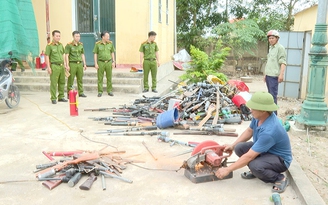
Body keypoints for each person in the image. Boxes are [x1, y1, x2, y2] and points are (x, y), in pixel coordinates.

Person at [215, 91, 292, 193]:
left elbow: (249, 156)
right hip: (266, 151)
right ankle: (258, 172)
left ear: (263, 110)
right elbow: (249, 131)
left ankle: (279, 178)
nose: (250, 110)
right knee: (239, 147)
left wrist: (228, 169)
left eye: (253, 108)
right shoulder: (259, 117)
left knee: (255, 166)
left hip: (280, 159)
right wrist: (233, 145)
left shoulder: (270, 130)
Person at [264, 30, 286, 113]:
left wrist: (281, 75)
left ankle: (274, 115)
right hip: (268, 75)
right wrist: (265, 75)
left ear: (277, 38)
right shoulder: (271, 48)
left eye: (272, 38)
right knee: (269, 96)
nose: (270, 40)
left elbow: (283, 62)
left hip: (274, 76)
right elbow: (269, 62)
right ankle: (270, 113)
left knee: (273, 96)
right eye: (269, 38)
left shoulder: (280, 48)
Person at [45, 30, 67, 104]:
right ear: (53, 36)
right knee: (54, 82)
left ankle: (61, 96)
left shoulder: (61, 45)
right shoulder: (49, 46)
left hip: (61, 66)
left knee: (62, 82)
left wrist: (65, 64)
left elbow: (63, 54)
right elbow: (47, 56)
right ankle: (53, 98)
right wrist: (48, 67)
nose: (58, 37)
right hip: (54, 66)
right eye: (57, 36)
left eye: (59, 36)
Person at [93, 31, 116, 97]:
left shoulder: (110, 44)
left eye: (109, 36)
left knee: (109, 77)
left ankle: (109, 91)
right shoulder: (97, 44)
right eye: (107, 36)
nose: (108, 37)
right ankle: (100, 91)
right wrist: (95, 63)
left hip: (109, 62)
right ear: (103, 37)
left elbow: (112, 52)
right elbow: (95, 54)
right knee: (100, 78)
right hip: (101, 62)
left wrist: (113, 61)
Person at [65, 31, 87, 98]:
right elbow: (66, 55)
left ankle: (81, 92)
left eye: (79, 36)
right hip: (72, 63)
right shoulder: (69, 45)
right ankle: (69, 93)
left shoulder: (81, 45)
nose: (78, 38)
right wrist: (67, 65)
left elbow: (82, 54)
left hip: (79, 63)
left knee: (80, 79)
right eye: (76, 36)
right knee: (71, 79)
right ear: (73, 37)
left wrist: (84, 63)